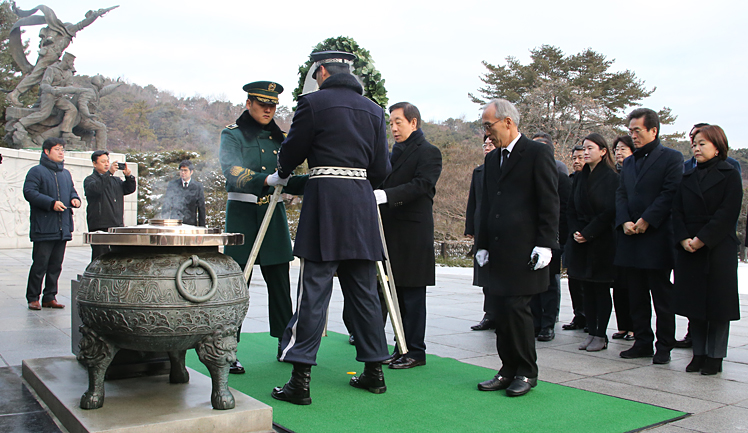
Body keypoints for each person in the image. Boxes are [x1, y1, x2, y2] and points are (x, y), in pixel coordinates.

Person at [271, 50, 391, 405]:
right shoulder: (374, 110)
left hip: (326, 200)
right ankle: (374, 372)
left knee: (314, 292)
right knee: (365, 293)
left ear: (321, 71)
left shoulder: (313, 103)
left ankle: (300, 379)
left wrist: (282, 172)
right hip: (361, 203)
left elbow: (290, 154)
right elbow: (382, 169)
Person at [219, 81, 307, 373]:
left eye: (273, 105)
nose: (268, 109)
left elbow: (289, 177)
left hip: (273, 215)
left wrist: (318, 180)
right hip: (242, 215)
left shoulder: (281, 138)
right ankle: (228, 348)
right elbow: (230, 170)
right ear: (249, 104)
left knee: (280, 283)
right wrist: (266, 180)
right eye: (262, 104)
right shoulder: (231, 135)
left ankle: (286, 342)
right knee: (237, 284)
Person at [475, 99, 559, 397]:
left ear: (508, 122)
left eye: (489, 126)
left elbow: (549, 201)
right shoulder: (492, 158)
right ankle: (507, 368)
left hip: (524, 250)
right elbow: (488, 205)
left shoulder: (537, 152)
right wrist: (481, 244)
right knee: (498, 310)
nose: (487, 134)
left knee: (517, 309)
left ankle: (526, 371)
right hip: (497, 250)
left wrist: (546, 244)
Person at [374, 102, 442, 369]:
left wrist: (387, 196)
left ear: (414, 123)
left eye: (398, 122)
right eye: (390, 123)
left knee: (412, 295)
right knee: (396, 293)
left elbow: (422, 186)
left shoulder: (429, 152)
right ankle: (401, 345)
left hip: (413, 233)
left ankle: (415, 350)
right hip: (391, 232)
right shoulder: (392, 153)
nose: (393, 128)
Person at [672, 125, 742, 375]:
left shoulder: (729, 173)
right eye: (694, 144)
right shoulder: (686, 176)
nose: (697, 148)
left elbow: (727, 213)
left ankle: (715, 356)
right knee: (695, 304)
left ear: (717, 146)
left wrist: (702, 239)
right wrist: (683, 239)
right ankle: (698, 353)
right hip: (689, 247)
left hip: (717, 246)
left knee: (718, 306)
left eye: (702, 143)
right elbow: (676, 211)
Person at [615, 108, 683, 364]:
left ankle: (664, 345)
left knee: (662, 296)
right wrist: (624, 221)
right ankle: (642, 341)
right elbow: (621, 193)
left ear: (653, 130)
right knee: (636, 294)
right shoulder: (629, 161)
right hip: (631, 236)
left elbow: (670, 193)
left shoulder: (671, 158)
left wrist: (646, 220)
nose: (633, 136)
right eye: (631, 131)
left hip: (657, 237)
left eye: (637, 131)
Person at [567, 133, 619, 352]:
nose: (586, 153)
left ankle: (601, 333)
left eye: (590, 149)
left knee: (600, 288)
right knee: (585, 287)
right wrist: (576, 231)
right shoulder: (579, 177)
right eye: (584, 149)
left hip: (601, 239)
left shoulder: (611, 177)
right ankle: (591, 329)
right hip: (580, 239)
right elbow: (570, 207)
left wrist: (589, 232)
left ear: (603, 151)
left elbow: (610, 210)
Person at [22, 138, 81, 310]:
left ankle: (50, 297)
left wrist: (75, 199)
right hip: (44, 227)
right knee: (40, 264)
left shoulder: (65, 174)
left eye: (63, 149)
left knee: (56, 265)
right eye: (57, 149)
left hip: (62, 226)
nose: (61, 152)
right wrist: (51, 203)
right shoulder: (36, 171)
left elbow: (72, 191)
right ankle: (33, 297)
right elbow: (29, 193)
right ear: (46, 152)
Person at [529, 132, 571, 342]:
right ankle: (535, 321)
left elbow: (562, 211)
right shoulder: (526, 175)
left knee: (550, 283)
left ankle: (548, 323)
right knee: (533, 282)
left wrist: (557, 239)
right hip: (530, 237)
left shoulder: (561, 177)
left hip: (551, 238)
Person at [83, 150, 136, 260]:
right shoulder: (90, 180)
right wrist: (109, 173)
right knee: (101, 257)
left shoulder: (115, 180)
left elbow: (129, 189)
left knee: (117, 257)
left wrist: (129, 177)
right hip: (100, 225)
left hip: (117, 224)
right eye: (103, 162)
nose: (107, 164)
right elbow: (97, 188)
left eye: (108, 161)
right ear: (94, 163)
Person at [466, 135, 496, 331]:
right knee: (485, 274)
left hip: (500, 228)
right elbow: (473, 202)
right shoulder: (479, 171)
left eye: (491, 144)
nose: (487, 147)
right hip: (481, 227)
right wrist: (470, 228)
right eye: (485, 144)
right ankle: (490, 314)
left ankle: (502, 313)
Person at [611, 135, 636, 342]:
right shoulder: (613, 173)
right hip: (616, 232)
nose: (619, 153)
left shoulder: (634, 173)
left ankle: (634, 327)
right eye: (617, 149)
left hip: (633, 231)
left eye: (623, 149)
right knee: (618, 284)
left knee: (632, 285)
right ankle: (622, 325)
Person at [562, 144, 587, 332]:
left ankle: (590, 317)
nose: (577, 161)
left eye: (581, 157)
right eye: (574, 158)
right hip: (573, 235)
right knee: (573, 279)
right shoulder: (571, 180)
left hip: (591, 236)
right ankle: (578, 315)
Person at [162, 160, 206, 226]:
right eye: (181, 170)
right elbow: (166, 205)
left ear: (191, 172)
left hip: (191, 225)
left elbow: (201, 208)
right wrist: (164, 224)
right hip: (174, 224)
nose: (183, 172)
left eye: (185, 170)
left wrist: (202, 228)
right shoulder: (172, 184)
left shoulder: (198, 186)